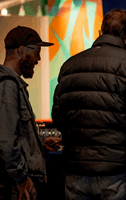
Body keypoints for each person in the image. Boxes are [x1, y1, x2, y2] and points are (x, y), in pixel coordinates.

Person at [51, 8, 126, 200]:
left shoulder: (69, 66)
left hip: (75, 172)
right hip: (117, 172)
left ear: (100, 33)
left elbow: (59, 118)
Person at [0, 26, 61, 200]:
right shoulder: (7, 85)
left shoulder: (13, 85)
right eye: (36, 52)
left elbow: (17, 134)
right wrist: (21, 179)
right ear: (20, 51)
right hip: (14, 188)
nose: (39, 58)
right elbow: (5, 140)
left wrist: (40, 143)